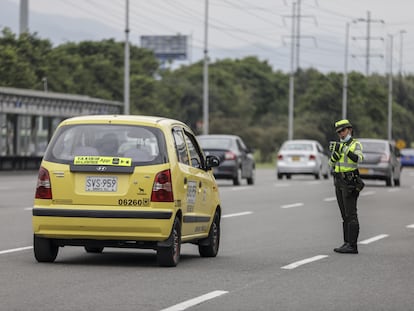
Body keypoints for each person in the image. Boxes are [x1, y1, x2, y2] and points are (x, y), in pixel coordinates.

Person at [328, 119, 364, 254]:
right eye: (339, 132)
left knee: (351, 214)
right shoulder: (338, 145)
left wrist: (344, 149)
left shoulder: (356, 144)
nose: (341, 134)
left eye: (343, 131)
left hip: (350, 182)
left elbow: (358, 159)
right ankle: (346, 242)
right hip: (338, 181)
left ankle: (353, 245)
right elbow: (330, 164)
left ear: (349, 129)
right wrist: (334, 156)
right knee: (344, 215)